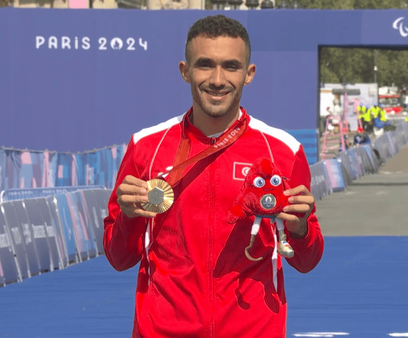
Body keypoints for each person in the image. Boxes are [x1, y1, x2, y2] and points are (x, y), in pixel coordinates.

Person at [103, 15, 324, 338]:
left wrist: (299, 227)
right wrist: (127, 217)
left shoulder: (282, 150)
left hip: (253, 331)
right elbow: (119, 257)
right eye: (205, 65)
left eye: (231, 66)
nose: (218, 79)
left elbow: (307, 261)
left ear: (249, 74)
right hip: (162, 331)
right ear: (185, 71)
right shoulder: (146, 147)